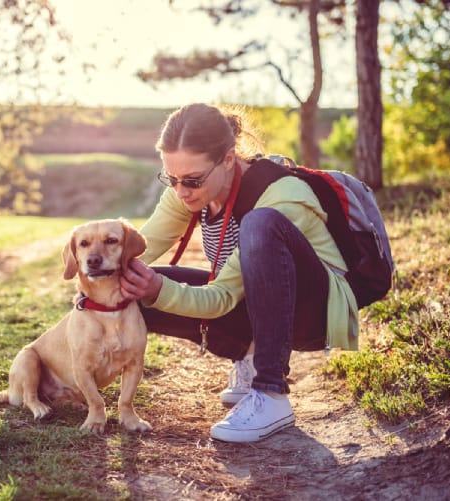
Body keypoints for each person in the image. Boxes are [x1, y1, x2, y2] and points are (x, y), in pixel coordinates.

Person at [119, 103, 359, 443]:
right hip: (252, 301)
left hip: (312, 312)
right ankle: (248, 354)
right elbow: (135, 250)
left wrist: (160, 289)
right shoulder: (187, 191)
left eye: (191, 180)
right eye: (171, 179)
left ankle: (271, 392)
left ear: (228, 160)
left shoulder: (280, 196)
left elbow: (220, 298)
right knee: (130, 287)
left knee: (259, 225)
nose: (180, 190)